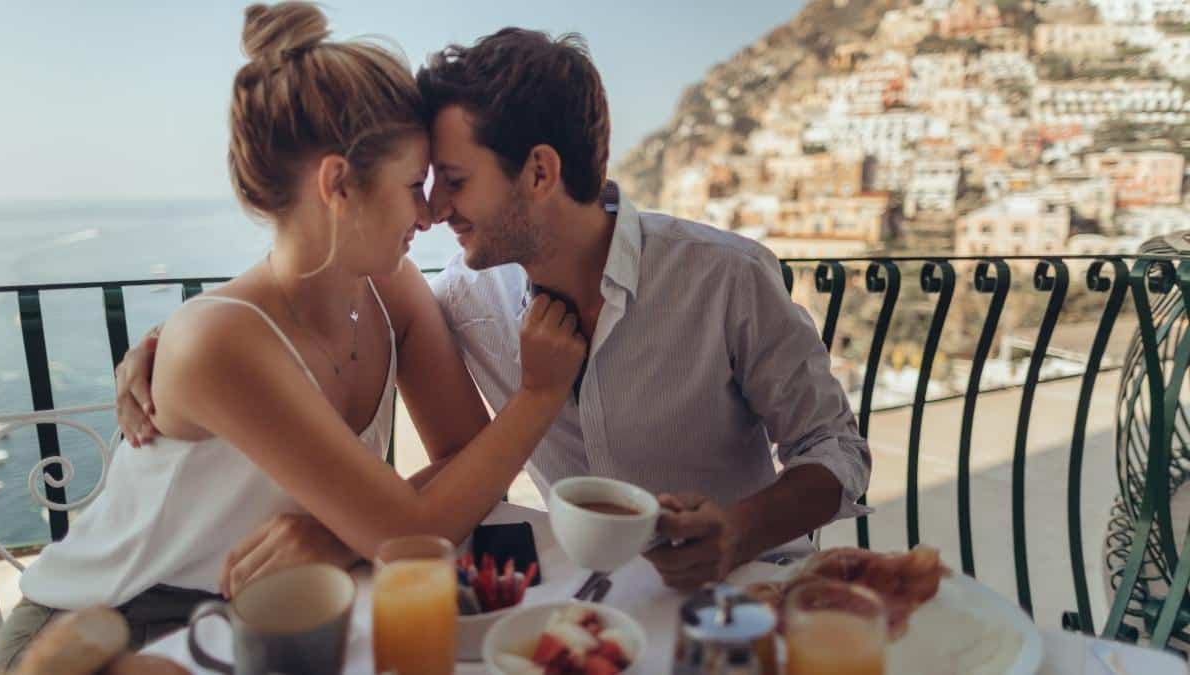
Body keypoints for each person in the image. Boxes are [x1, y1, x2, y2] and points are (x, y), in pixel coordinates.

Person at [117, 28, 872, 594]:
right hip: (577, 599)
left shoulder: (726, 279)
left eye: (451, 179)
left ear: (539, 172)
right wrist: (175, 347)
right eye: (424, 183)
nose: (435, 208)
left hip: (743, 590)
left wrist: (739, 530)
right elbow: (284, 319)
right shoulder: (458, 298)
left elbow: (838, 452)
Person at [0, 6, 585, 672]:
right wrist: (537, 395)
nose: (429, 213)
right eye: (410, 185)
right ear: (337, 185)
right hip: (99, 632)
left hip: (257, 611)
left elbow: (466, 458)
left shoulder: (393, 289)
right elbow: (413, 530)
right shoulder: (218, 343)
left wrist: (346, 533)